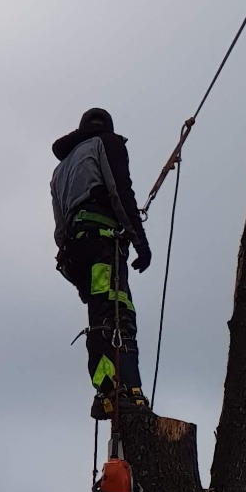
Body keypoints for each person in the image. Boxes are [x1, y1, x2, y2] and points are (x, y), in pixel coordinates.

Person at [50, 107, 154, 413]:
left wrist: (75, 274)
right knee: (118, 312)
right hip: (101, 243)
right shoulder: (106, 144)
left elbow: (59, 228)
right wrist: (140, 241)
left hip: (75, 250)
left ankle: (106, 390)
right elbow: (121, 192)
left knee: (100, 317)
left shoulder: (60, 171)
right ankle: (128, 391)